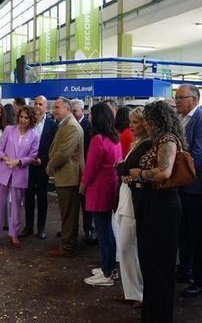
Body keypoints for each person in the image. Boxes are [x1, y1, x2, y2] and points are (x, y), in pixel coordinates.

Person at [123, 101, 182, 323]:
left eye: (147, 119)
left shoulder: (167, 140)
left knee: (159, 264)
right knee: (150, 262)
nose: (144, 123)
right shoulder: (158, 140)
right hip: (152, 204)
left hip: (163, 207)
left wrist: (140, 174)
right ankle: (152, 312)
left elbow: (164, 172)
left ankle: (160, 315)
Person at [173, 84, 202, 297]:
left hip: (198, 186)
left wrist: (171, 164)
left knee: (200, 236)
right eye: (176, 97)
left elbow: (199, 156)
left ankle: (201, 280)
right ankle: (185, 269)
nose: (177, 101)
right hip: (183, 185)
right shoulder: (180, 118)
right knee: (185, 232)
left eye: (181, 97)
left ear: (194, 99)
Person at [113, 107, 151, 309]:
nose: (131, 126)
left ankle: (139, 293)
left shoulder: (147, 144)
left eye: (135, 123)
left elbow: (124, 168)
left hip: (133, 203)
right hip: (126, 199)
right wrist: (124, 170)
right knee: (126, 248)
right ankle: (132, 291)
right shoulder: (138, 144)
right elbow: (125, 170)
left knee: (129, 247)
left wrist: (123, 169)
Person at [82, 103, 122, 286]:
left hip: (98, 189)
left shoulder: (98, 139)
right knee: (108, 230)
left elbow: (91, 168)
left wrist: (83, 185)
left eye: (91, 114)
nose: (89, 116)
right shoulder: (115, 138)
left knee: (103, 231)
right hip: (110, 187)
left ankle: (107, 273)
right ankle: (109, 268)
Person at [0, 105, 39, 248]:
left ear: (31, 120)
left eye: (26, 118)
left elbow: (33, 156)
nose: (23, 120)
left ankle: (14, 234)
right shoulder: (9, 130)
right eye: (21, 117)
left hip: (20, 173)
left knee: (16, 205)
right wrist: (5, 159)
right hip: (2, 171)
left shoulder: (34, 136)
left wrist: (18, 161)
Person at [47, 97, 84, 258]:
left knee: (69, 214)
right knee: (67, 213)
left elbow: (64, 153)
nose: (54, 110)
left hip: (70, 177)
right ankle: (67, 243)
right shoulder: (66, 125)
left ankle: (68, 247)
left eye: (57, 107)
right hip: (66, 176)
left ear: (67, 109)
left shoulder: (72, 127)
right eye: (54, 107)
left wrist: (50, 166)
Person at [24, 95, 57, 239]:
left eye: (40, 104)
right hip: (26, 166)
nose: (37, 106)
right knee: (28, 198)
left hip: (43, 167)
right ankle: (28, 226)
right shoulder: (27, 123)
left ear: (46, 108)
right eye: (36, 103)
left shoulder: (52, 125)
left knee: (42, 199)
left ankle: (41, 228)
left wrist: (43, 161)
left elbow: (54, 148)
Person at [70, 98, 96, 244]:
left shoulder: (88, 127)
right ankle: (72, 229)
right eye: (71, 111)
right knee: (73, 201)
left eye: (75, 111)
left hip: (84, 168)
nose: (73, 114)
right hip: (72, 169)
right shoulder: (67, 126)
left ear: (82, 110)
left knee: (85, 203)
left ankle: (88, 228)